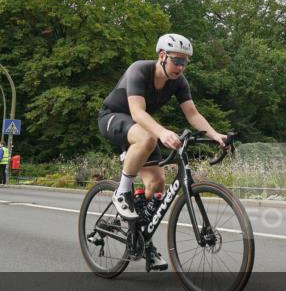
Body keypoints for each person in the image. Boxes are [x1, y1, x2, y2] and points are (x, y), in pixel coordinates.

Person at [97, 34, 227, 227]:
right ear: (162, 56)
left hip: (139, 126)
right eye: (177, 61)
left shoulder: (179, 81)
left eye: (185, 63)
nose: (181, 67)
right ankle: (122, 193)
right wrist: (163, 132)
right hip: (112, 117)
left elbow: (193, 115)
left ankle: (139, 238)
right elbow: (137, 112)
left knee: (157, 182)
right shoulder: (139, 70)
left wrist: (214, 134)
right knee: (148, 137)